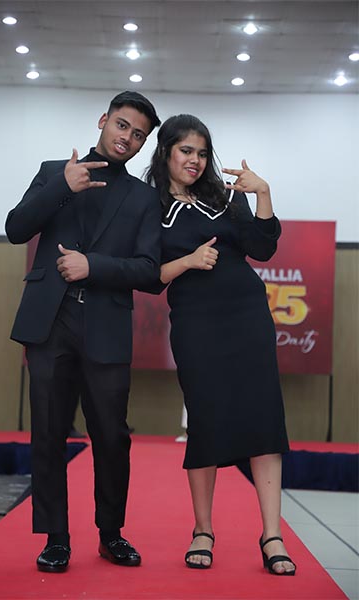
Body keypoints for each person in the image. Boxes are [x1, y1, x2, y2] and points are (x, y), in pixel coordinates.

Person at [6, 91, 161, 572]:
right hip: (49, 323)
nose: (127, 138)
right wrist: (62, 188)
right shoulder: (55, 172)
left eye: (139, 135)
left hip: (106, 327)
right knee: (49, 434)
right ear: (103, 120)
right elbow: (15, 228)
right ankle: (56, 538)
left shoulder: (143, 197)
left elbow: (150, 271)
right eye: (122, 125)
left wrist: (92, 265)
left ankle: (111, 533)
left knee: (112, 436)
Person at [146, 114, 296, 575]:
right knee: (205, 420)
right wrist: (187, 261)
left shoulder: (227, 196)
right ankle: (203, 530)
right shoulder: (148, 206)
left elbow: (262, 249)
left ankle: (272, 535)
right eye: (186, 151)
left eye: (202, 152)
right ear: (166, 152)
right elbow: (147, 276)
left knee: (264, 418)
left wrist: (262, 193)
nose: (195, 160)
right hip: (197, 324)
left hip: (248, 317)